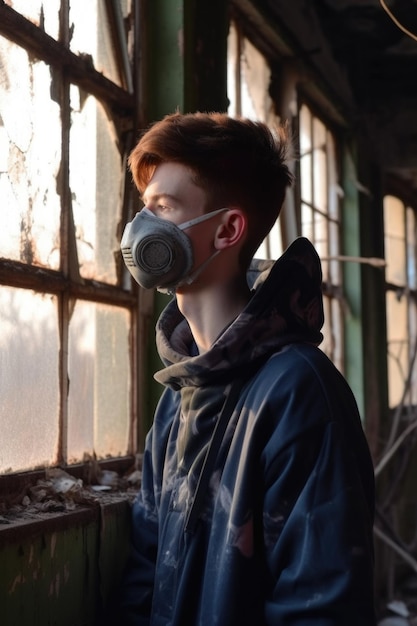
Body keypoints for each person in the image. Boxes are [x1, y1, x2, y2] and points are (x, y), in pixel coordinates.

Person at [117, 112, 376, 625]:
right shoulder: (178, 398)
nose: (138, 229)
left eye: (163, 207)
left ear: (228, 229)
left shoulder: (301, 394)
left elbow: (320, 607)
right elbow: (147, 574)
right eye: (143, 208)